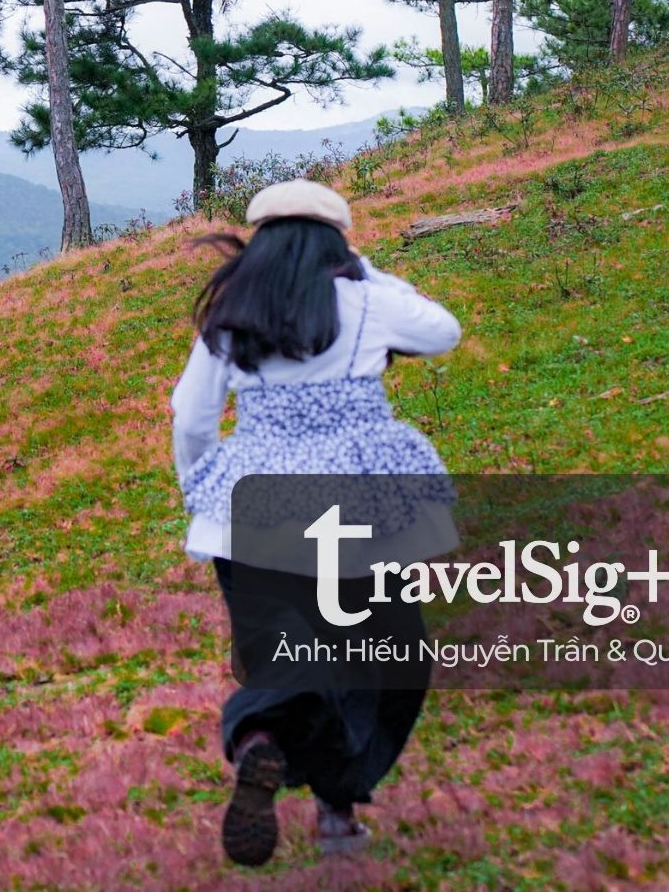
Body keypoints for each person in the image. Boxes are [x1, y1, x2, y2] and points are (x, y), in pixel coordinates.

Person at [170, 179, 462, 867]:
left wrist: (204, 490)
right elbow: (442, 330)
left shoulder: (234, 310)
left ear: (260, 244)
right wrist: (370, 269)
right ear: (338, 243)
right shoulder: (364, 300)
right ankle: (336, 811)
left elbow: (191, 416)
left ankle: (257, 739)